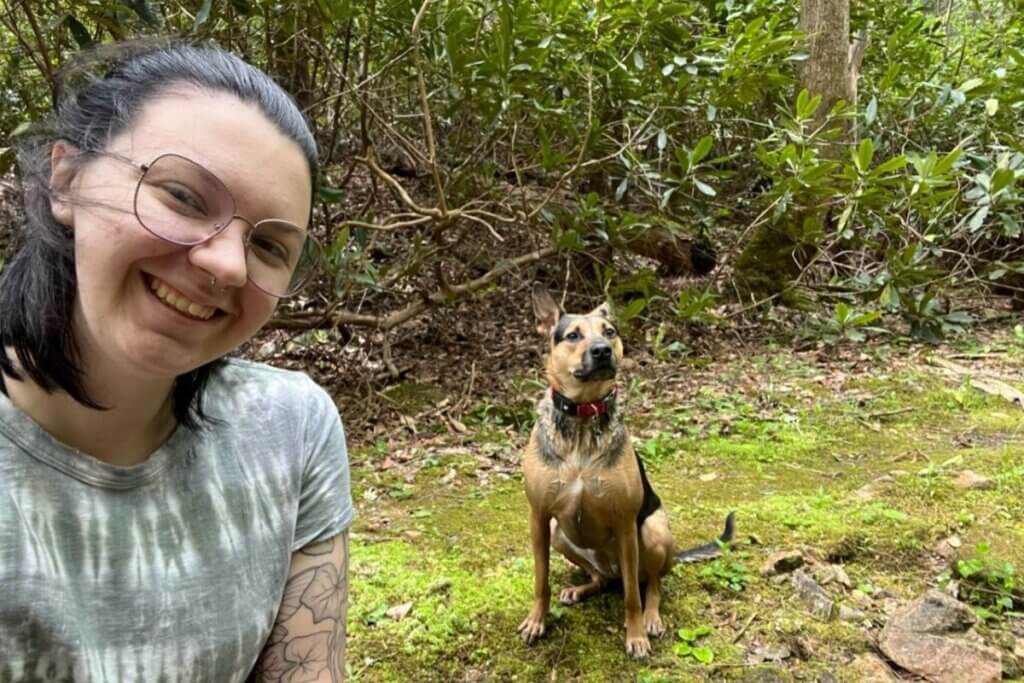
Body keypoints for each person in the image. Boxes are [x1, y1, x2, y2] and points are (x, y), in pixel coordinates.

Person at [0, 42, 354, 682]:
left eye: (270, 245)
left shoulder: (292, 430)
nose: (227, 264)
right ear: (67, 179)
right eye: (185, 196)